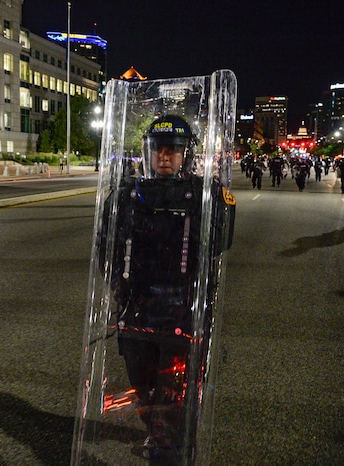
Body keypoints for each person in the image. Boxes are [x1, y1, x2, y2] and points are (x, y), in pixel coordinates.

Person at [102, 115, 235, 460]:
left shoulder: (204, 196)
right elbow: (106, 247)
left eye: (172, 150)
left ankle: (168, 450)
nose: (163, 156)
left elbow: (219, 243)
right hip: (136, 310)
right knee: (142, 389)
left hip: (182, 309)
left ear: (185, 155)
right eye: (157, 149)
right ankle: (158, 435)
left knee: (173, 396)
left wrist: (210, 201)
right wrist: (116, 283)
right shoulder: (127, 194)